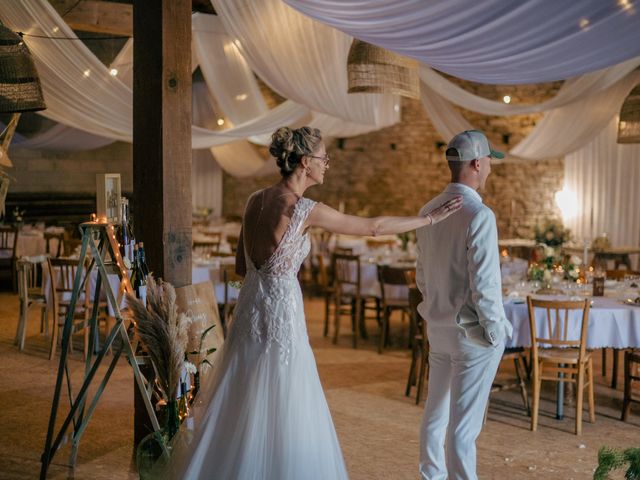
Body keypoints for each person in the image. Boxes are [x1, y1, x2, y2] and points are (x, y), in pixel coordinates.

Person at [165, 126, 462, 479]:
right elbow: (374, 228)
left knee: (242, 395)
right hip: (282, 315)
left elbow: (241, 267)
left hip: (249, 312)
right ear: (305, 163)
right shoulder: (305, 210)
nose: (327, 165)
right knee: (286, 398)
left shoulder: (254, 200)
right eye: (324, 158)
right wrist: (429, 219)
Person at [416, 130, 513, 480]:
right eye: (488, 161)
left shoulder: (428, 211)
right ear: (475, 162)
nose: (489, 168)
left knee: (436, 414)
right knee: (463, 428)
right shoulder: (479, 214)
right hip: (471, 337)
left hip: (438, 331)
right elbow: (485, 286)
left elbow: (422, 278)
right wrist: (496, 332)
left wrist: (433, 311)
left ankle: (431, 476)